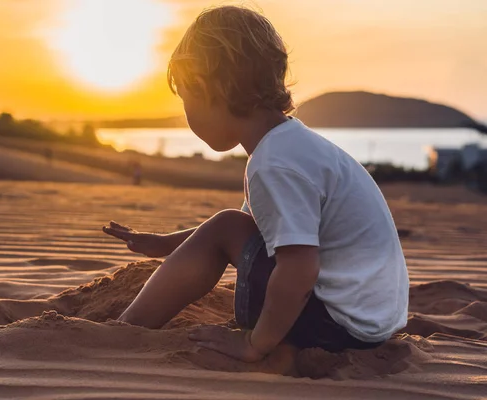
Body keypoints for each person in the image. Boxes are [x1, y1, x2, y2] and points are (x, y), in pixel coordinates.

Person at [103, 5, 408, 362]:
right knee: (229, 224)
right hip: (367, 326)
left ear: (208, 89)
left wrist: (255, 344)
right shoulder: (290, 146)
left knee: (225, 225)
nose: (186, 114)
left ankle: (124, 332)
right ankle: (129, 326)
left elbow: (299, 267)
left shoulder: (274, 164)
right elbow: (256, 228)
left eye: (186, 97)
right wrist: (166, 243)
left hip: (336, 328)